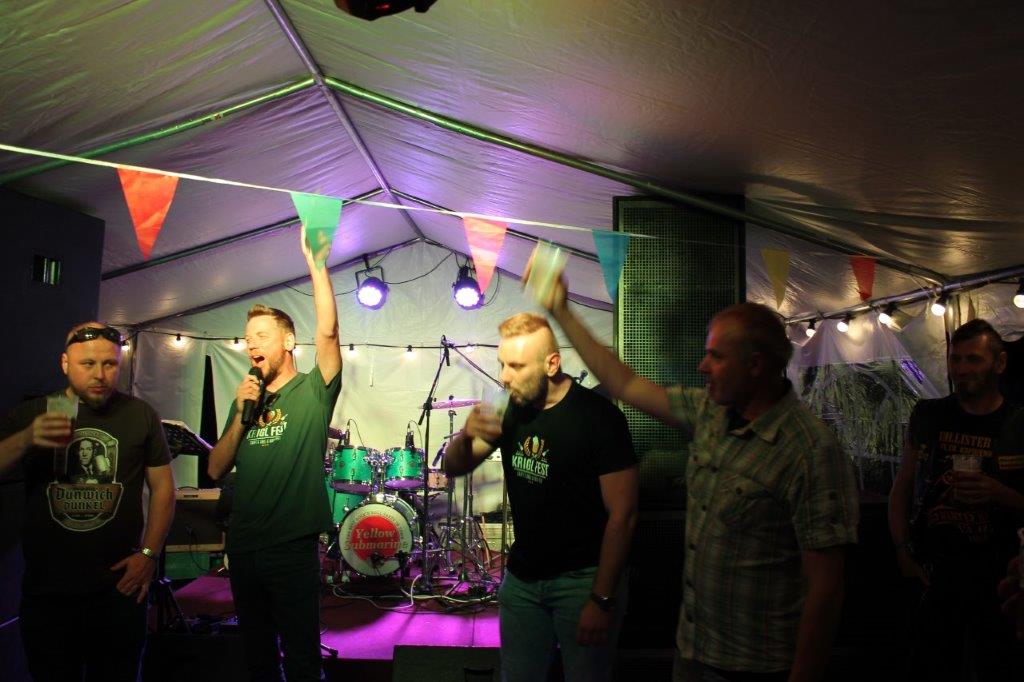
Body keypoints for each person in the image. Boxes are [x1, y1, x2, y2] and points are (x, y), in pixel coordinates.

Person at [525, 258, 859, 681]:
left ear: (755, 365)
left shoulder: (810, 451)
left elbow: (826, 588)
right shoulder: (711, 412)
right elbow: (624, 383)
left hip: (757, 668)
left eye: (715, 356)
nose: (702, 366)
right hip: (694, 652)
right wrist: (561, 309)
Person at [444, 312, 638, 682]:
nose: (504, 376)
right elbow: (454, 467)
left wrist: (601, 598)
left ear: (552, 364)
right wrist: (466, 435)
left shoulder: (598, 417)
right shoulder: (510, 409)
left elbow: (624, 514)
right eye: (502, 364)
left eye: (516, 366)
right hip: (523, 580)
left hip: (582, 580)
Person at [0, 322, 175, 681]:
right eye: (88, 364)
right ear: (65, 363)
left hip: (119, 589)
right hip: (49, 593)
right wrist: (27, 438)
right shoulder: (36, 412)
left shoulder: (140, 414)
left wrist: (148, 555)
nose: (99, 374)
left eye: (109, 364)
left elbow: (163, 489)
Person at [208, 226, 342, 682]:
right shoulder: (245, 399)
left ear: (288, 342)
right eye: (248, 338)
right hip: (244, 545)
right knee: (258, 659)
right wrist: (241, 417)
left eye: (262, 336)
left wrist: (316, 264)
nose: (252, 345)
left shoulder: (313, 390)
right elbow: (215, 468)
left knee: (302, 660)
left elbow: (328, 332)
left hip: (291, 546)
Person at [889, 318, 1024, 680]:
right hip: (935, 574)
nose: (961, 369)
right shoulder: (929, 416)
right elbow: (902, 487)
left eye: (974, 359)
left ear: (1000, 363)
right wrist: (902, 551)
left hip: (1000, 580)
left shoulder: (1018, 424)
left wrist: (1001, 494)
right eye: (955, 359)